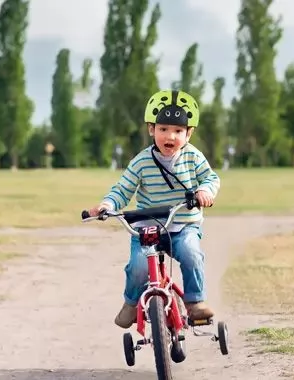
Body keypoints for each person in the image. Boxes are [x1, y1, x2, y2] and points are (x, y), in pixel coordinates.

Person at [89, 89, 221, 329]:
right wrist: (107, 205)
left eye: (178, 131)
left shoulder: (193, 157)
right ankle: (131, 304)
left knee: (192, 254)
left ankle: (194, 303)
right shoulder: (141, 161)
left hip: (183, 225)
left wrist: (205, 192)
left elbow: (210, 179)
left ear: (188, 134)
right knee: (138, 267)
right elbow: (123, 189)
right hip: (147, 227)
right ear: (151, 129)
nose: (170, 136)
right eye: (163, 129)